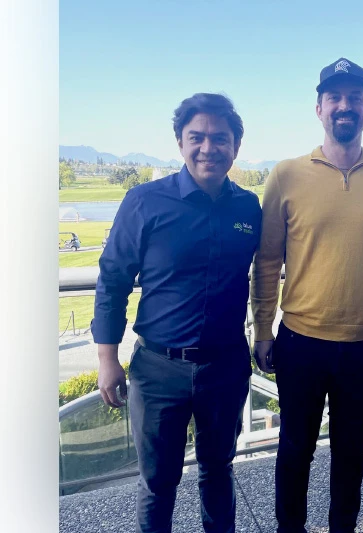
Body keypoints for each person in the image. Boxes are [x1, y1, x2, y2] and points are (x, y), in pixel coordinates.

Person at [92, 93, 261, 533]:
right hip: (158, 369)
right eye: (197, 137)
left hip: (225, 365)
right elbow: (112, 279)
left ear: (236, 145)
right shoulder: (144, 201)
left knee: (218, 471)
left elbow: (266, 272)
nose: (208, 148)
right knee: (157, 483)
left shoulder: (248, 208)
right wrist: (107, 359)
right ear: (180, 142)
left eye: (220, 138)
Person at [250, 57, 363, 533]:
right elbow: (267, 260)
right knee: (295, 450)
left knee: (351, 454)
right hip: (300, 342)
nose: (344, 106)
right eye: (334, 97)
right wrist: (262, 330)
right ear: (318, 108)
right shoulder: (286, 175)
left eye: (354, 98)